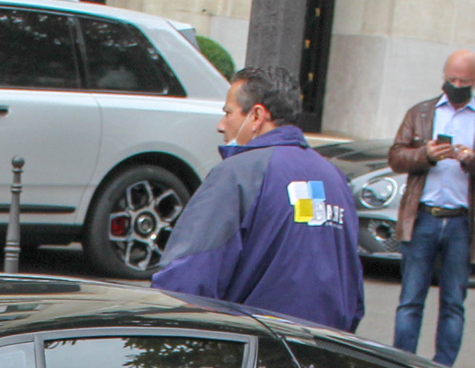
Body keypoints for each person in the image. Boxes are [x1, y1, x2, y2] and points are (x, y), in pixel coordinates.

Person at [150, 65, 364, 332]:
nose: (221, 125)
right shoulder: (334, 178)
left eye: (228, 113)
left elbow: (188, 277)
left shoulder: (239, 174)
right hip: (324, 349)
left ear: (257, 115)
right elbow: (352, 288)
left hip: (257, 347)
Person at [385, 50, 475, 366]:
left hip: (462, 223)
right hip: (423, 217)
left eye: (464, 81)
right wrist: (426, 154)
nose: (457, 86)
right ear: (443, 77)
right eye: (452, 80)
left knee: (454, 302)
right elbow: (396, 157)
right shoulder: (421, 114)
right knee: (411, 300)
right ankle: (403, 364)